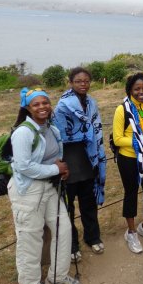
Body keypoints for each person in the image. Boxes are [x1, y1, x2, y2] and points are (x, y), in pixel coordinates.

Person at [8, 87, 80, 284]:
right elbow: (24, 166)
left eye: (45, 103)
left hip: (49, 187)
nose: (42, 107)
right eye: (36, 104)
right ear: (28, 108)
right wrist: (55, 170)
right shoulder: (23, 133)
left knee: (64, 229)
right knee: (30, 238)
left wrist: (61, 171)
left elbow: (55, 158)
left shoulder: (52, 129)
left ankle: (57, 276)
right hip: (27, 192)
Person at [53, 68, 106, 264]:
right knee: (68, 208)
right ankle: (72, 244)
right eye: (78, 81)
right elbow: (58, 136)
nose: (83, 84)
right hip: (69, 159)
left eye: (86, 81)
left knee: (89, 204)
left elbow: (95, 128)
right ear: (71, 83)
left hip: (87, 158)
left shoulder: (91, 103)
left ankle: (92, 237)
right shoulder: (62, 106)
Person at [113, 74, 143, 253]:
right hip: (129, 159)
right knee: (131, 193)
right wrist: (138, 142)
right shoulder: (122, 110)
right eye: (137, 89)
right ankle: (131, 232)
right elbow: (118, 139)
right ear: (130, 90)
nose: (141, 92)